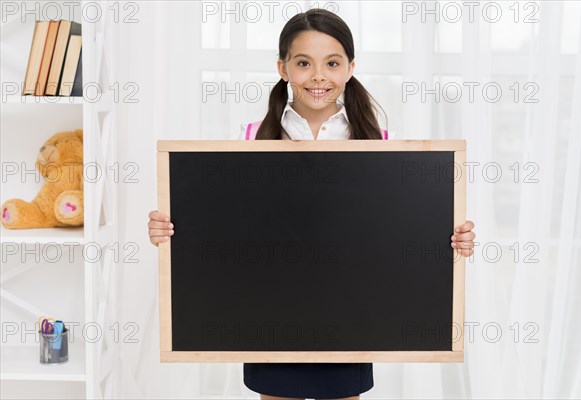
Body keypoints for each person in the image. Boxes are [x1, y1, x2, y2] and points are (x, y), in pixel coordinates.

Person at [147, 8, 476, 400]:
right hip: (268, 311)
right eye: (303, 63)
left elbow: (395, 230)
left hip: (351, 313)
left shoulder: (379, 142)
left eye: (332, 63)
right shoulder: (251, 138)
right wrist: (170, 229)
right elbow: (225, 224)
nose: (318, 76)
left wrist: (452, 239)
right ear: (283, 68)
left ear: (350, 68)